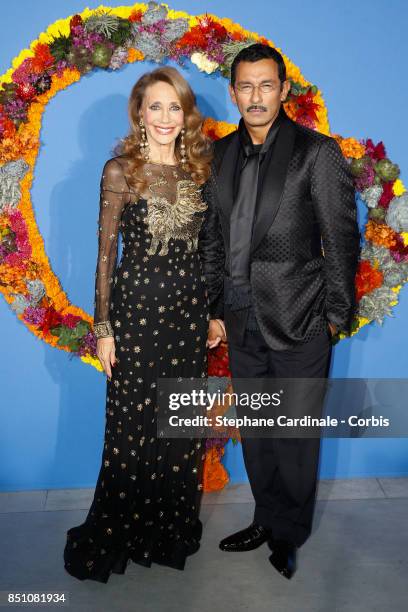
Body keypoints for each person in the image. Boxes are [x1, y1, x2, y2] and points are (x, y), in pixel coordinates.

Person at [198, 43, 360, 579]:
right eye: (245, 86)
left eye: (266, 85)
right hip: (241, 321)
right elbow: (214, 241)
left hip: (301, 320)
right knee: (260, 432)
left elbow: (341, 239)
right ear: (233, 92)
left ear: (284, 90)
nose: (256, 96)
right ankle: (266, 518)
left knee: (295, 437)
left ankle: (290, 533)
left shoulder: (317, 152)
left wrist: (334, 316)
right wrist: (215, 309)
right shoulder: (219, 154)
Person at [63, 66, 213, 583]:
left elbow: (210, 251)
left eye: (175, 107)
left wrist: (213, 312)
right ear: (139, 113)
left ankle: (166, 529)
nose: (166, 117)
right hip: (137, 315)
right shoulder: (120, 171)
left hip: (188, 317)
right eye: (156, 106)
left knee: (180, 425)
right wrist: (103, 328)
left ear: (186, 114)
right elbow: (105, 255)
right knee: (131, 427)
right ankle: (121, 530)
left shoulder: (200, 171)